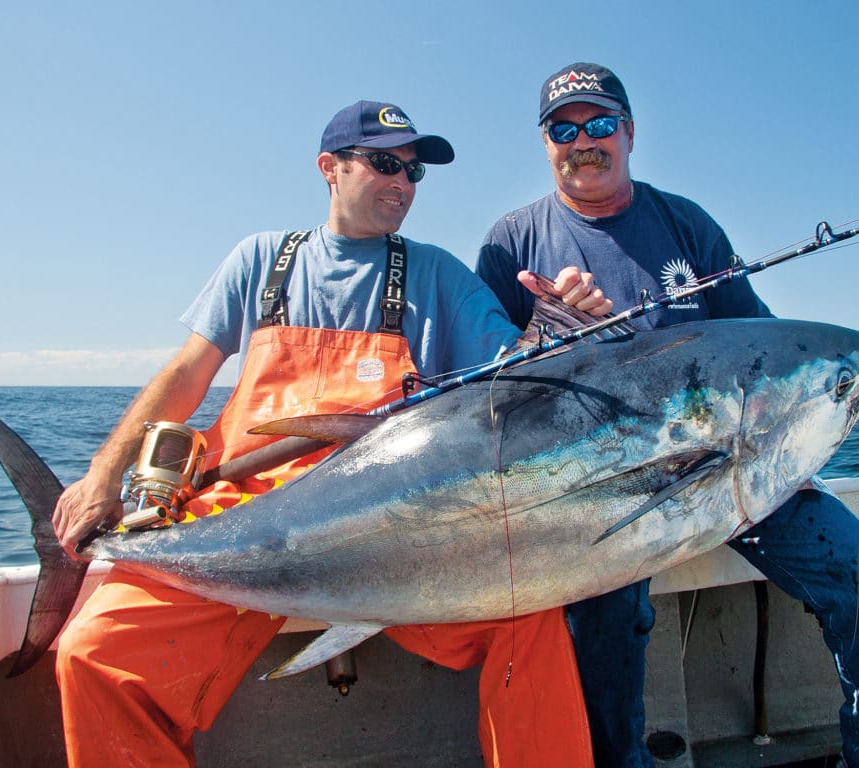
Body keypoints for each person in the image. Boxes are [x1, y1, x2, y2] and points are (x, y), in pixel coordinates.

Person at [51, 100, 603, 768]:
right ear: (328, 169)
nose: (401, 182)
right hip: (242, 513)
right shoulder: (261, 259)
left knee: (532, 621)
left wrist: (567, 326)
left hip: (394, 529)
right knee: (92, 657)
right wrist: (103, 475)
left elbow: (518, 377)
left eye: (412, 172)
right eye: (382, 163)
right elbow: (187, 373)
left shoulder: (436, 274)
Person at [476, 62, 859, 768]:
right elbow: (484, 389)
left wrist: (788, 460)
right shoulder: (512, 241)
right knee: (606, 614)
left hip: (731, 467)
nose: (582, 141)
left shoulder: (686, 223)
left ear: (628, 131)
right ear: (545, 142)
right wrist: (543, 334)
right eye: (564, 129)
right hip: (599, 488)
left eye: (599, 124)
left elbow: (766, 348)